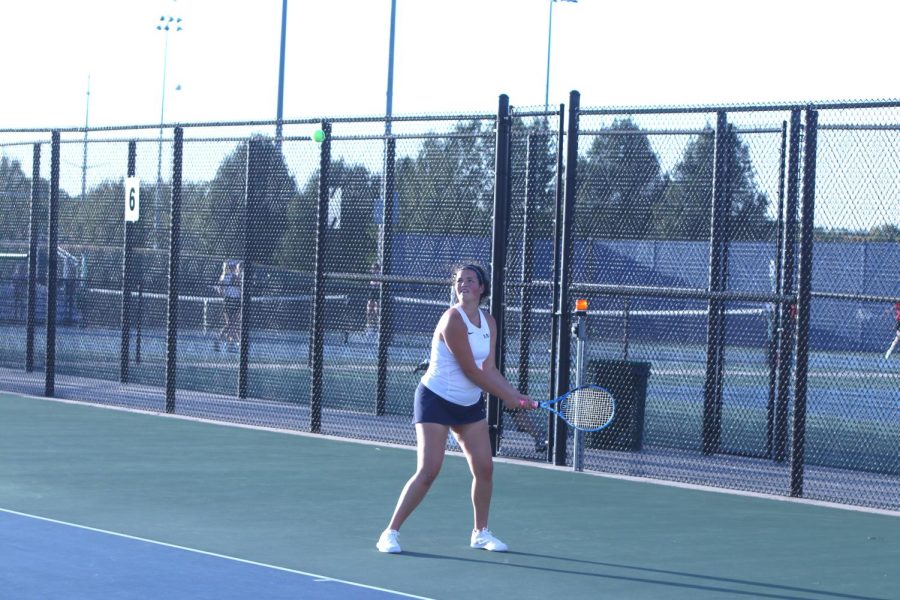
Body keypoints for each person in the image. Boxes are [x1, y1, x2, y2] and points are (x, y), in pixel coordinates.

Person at [376, 263, 537, 554]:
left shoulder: (488, 322)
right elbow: (471, 372)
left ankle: (481, 533)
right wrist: (506, 397)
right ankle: (390, 532)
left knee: (485, 468)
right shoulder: (452, 319)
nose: (463, 284)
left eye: (470, 280)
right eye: (459, 281)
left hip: (469, 404)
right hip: (435, 399)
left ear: (482, 288)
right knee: (429, 470)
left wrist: (514, 394)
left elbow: (489, 368)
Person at [215, 260, 242, 352]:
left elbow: (220, 289)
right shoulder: (231, 276)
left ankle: (227, 343)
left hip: (231, 301)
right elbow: (220, 289)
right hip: (232, 301)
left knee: (231, 324)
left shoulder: (225, 277)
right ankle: (227, 343)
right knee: (232, 324)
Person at [366, 262, 381, 335]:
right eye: (372, 269)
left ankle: (378, 326)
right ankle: (369, 327)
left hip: (377, 291)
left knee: (376, 309)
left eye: (374, 269)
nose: (373, 270)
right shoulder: (370, 276)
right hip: (372, 291)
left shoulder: (380, 275)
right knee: (369, 308)